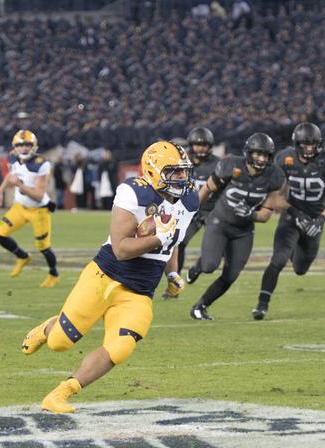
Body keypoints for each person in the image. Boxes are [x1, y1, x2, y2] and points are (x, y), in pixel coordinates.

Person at [19, 141, 197, 413]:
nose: (182, 178)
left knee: (121, 347)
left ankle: (60, 393)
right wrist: (157, 238)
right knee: (59, 343)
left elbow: (173, 241)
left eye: (184, 171)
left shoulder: (189, 200)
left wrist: (172, 271)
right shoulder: (134, 193)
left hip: (139, 291)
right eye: (175, 171)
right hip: (104, 277)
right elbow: (121, 249)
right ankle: (48, 328)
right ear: (153, 171)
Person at [188, 133, 286, 320]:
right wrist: (191, 211)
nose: (261, 159)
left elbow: (266, 214)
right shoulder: (230, 165)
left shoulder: (274, 176)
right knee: (209, 266)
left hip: (243, 231)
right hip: (220, 222)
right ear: (249, 153)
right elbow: (207, 189)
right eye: (258, 154)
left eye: (265, 155)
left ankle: (200, 306)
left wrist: (252, 214)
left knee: (231, 275)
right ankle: (199, 265)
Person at [252, 122, 325, 320]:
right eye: (305, 144)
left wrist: (320, 220)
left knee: (301, 269)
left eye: (312, 144)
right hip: (291, 216)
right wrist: (294, 212)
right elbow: (275, 195)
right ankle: (261, 305)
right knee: (278, 260)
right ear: (297, 144)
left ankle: (295, 251)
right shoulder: (285, 159)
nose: (309, 148)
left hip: (314, 220)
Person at [0, 129, 60, 288]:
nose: (23, 148)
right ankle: (23, 257)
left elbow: (38, 195)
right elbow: (11, 175)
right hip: (20, 207)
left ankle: (54, 274)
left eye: (27, 145)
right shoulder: (12, 157)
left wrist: (19, 185)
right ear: (15, 146)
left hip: (39, 210)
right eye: (20, 145)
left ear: (34, 146)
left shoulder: (41, 164)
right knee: (0, 235)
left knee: (44, 247)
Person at [165, 126, 220, 299]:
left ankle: (198, 267)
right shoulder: (183, 162)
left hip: (213, 210)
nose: (201, 148)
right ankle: (174, 284)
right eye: (198, 144)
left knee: (217, 246)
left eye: (204, 145)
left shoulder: (218, 164)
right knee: (179, 243)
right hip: (190, 211)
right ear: (191, 145)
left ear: (210, 146)